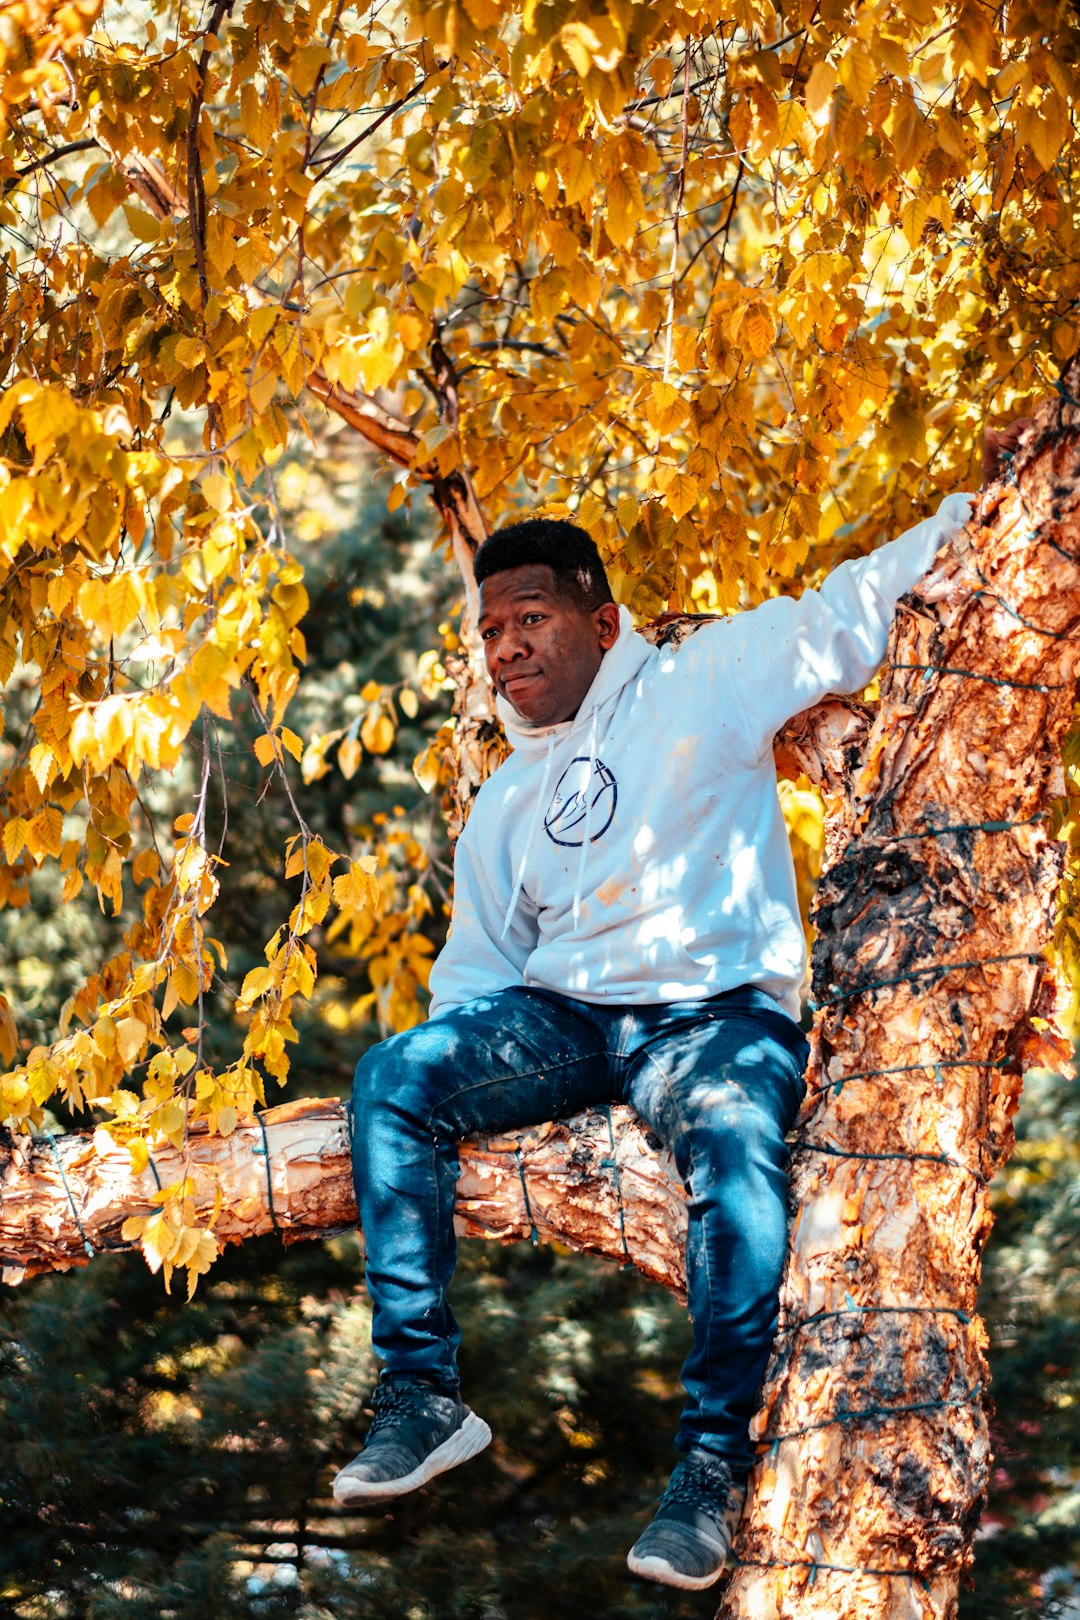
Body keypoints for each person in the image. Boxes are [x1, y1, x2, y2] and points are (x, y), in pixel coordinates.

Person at [331, 471, 990, 1591]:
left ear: (602, 620)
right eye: (489, 631)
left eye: (530, 619)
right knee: (396, 1074)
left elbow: (846, 612)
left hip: (715, 1014)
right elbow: (478, 978)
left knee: (736, 1151)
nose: (505, 649)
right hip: (568, 1023)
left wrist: (976, 520)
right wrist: (459, 1091)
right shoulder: (501, 805)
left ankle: (710, 1470)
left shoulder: (706, 682)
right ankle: (422, 1397)